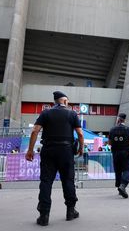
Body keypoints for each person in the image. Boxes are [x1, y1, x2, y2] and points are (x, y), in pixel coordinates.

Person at [25, 91, 84, 226]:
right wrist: (81, 148)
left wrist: (30, 150)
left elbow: (35, 131)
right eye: (67, 101)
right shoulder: (72, 114)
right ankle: (70, 211)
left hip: (49, 150)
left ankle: (44, 215)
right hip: (66, 151)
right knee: (68, 180)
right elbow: (80, 133)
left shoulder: (46, 113)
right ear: (64, 101)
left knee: (46, 181)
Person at [108, 113, 129, 198]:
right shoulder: (128, 129)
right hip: (125, 152)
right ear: (124, 120)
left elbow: (109, 143)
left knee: (118, 170)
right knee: (126, 170)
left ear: (118, 119)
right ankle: (123, 185)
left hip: (115, 153)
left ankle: (119, 186)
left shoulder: (112, 129)